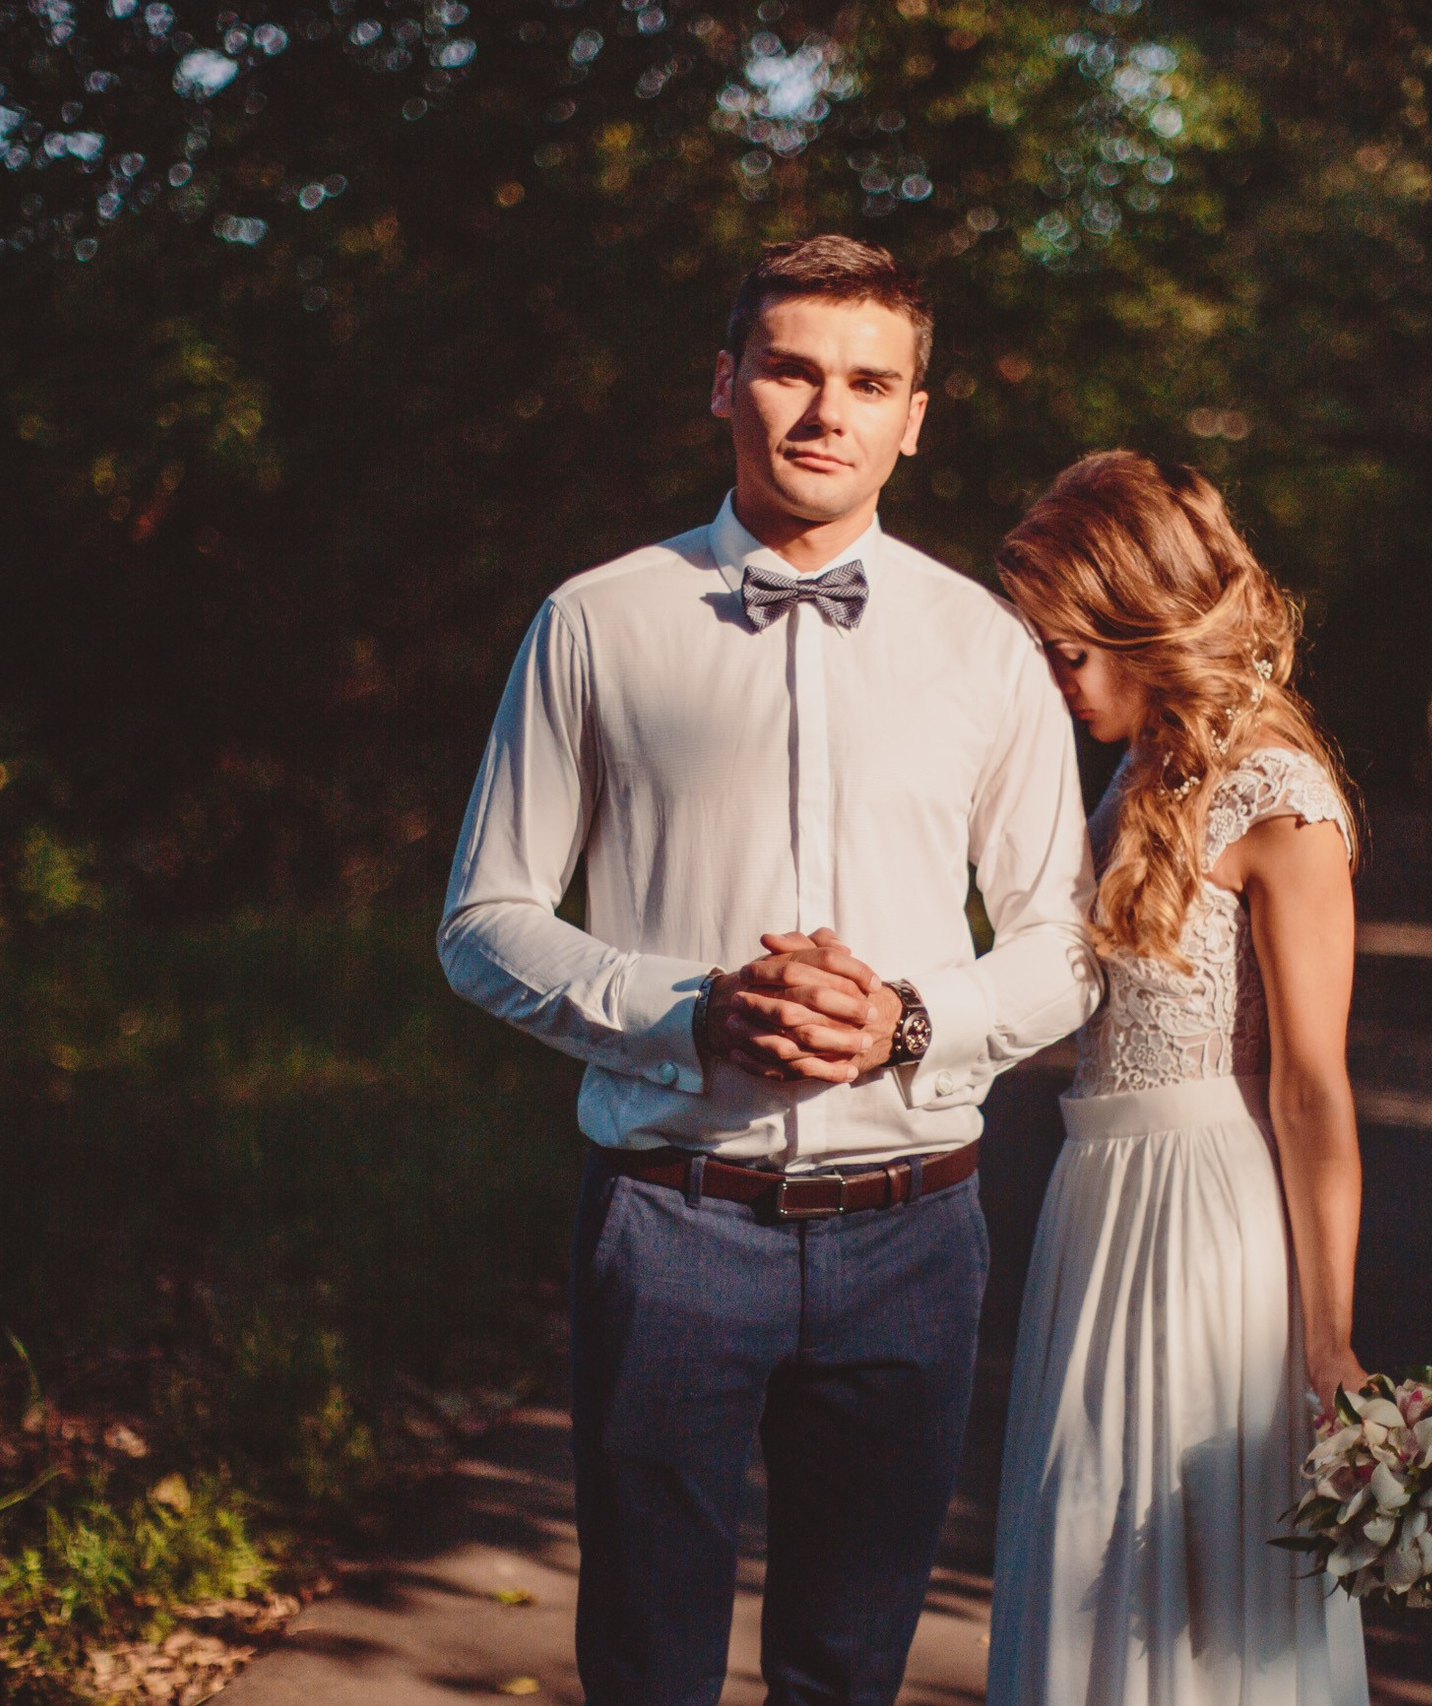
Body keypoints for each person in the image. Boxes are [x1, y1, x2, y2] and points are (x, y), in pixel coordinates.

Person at [437, 236, 1103, 1706]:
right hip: (671, 1222)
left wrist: (909, 1017)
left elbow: (1067, 943)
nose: (828, 411)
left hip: (914, 1232)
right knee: (647, 1662)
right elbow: (482, 918)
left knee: (846, 1668)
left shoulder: (986, 648)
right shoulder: (596, 620)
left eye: (871, 382)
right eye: (794, 369)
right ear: (725, 383)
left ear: (915, 415)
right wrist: (686, 1010)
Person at [986, 451, 1372, 1706]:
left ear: (1144, 623)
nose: (1053, 679)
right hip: (1094, 1202)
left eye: (1069, 650)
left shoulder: (1280, 793)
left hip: (1203, 1223)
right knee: (1089, 1548)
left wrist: (1329, 1344)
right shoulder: (1138, 764)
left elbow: (1312, 1088)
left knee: (1189, 1580)